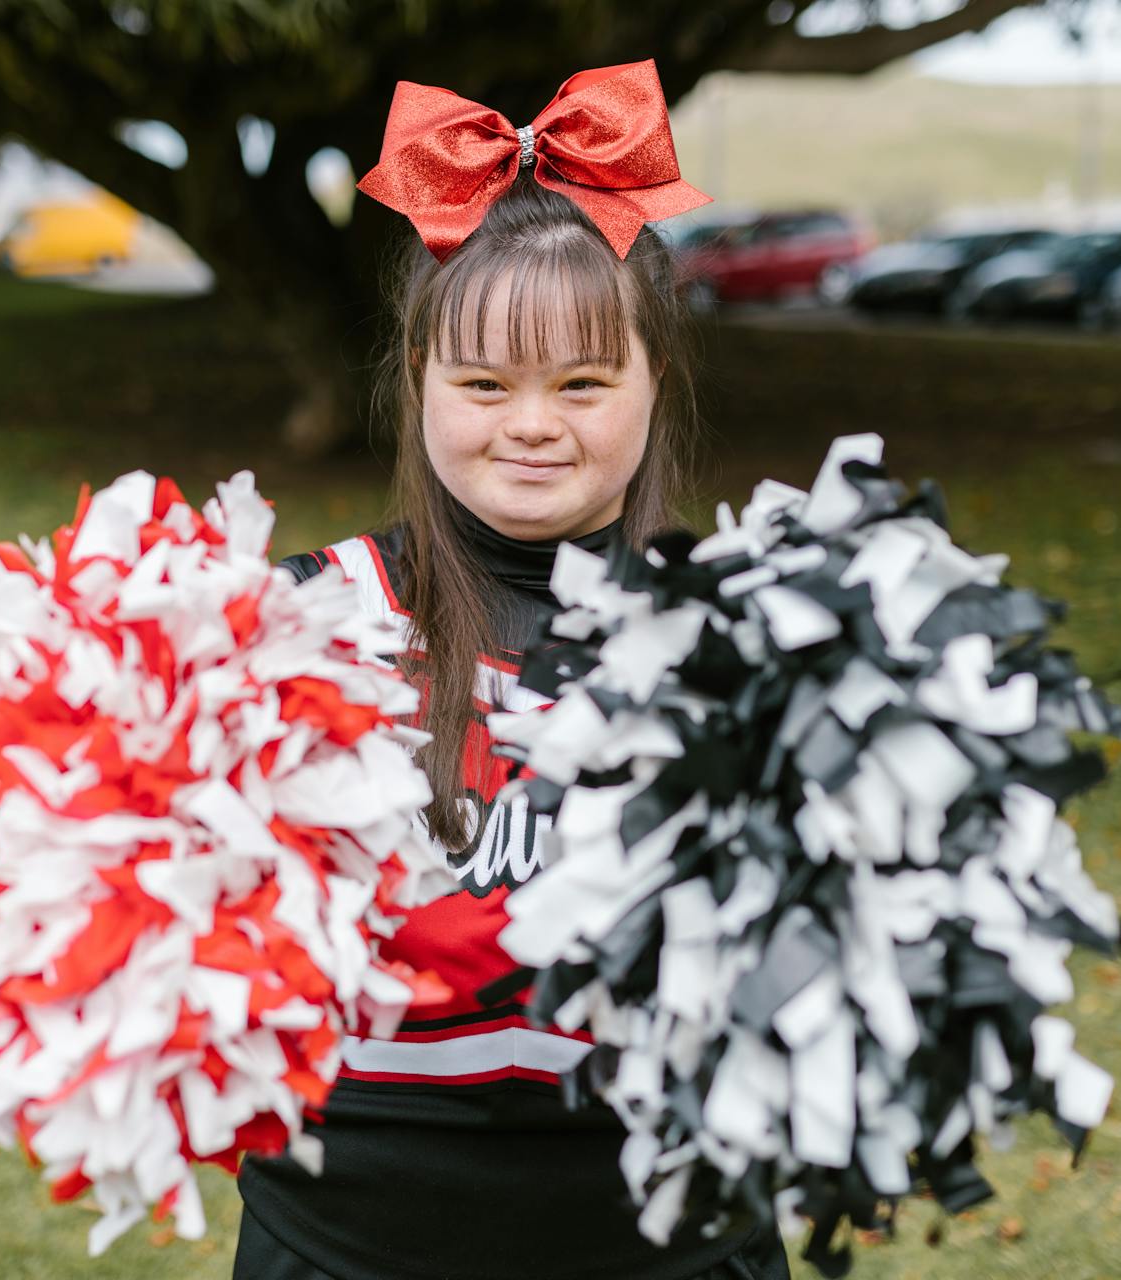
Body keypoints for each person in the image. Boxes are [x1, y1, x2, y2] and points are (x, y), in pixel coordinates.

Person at [234, 62, 793, 1280]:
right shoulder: (286, 625)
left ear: (655, 387)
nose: (531, 423)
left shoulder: (763, 640)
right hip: (348, 1242)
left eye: (582, 383)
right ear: (418, 386)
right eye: (483, 382)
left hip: (673, 1245)